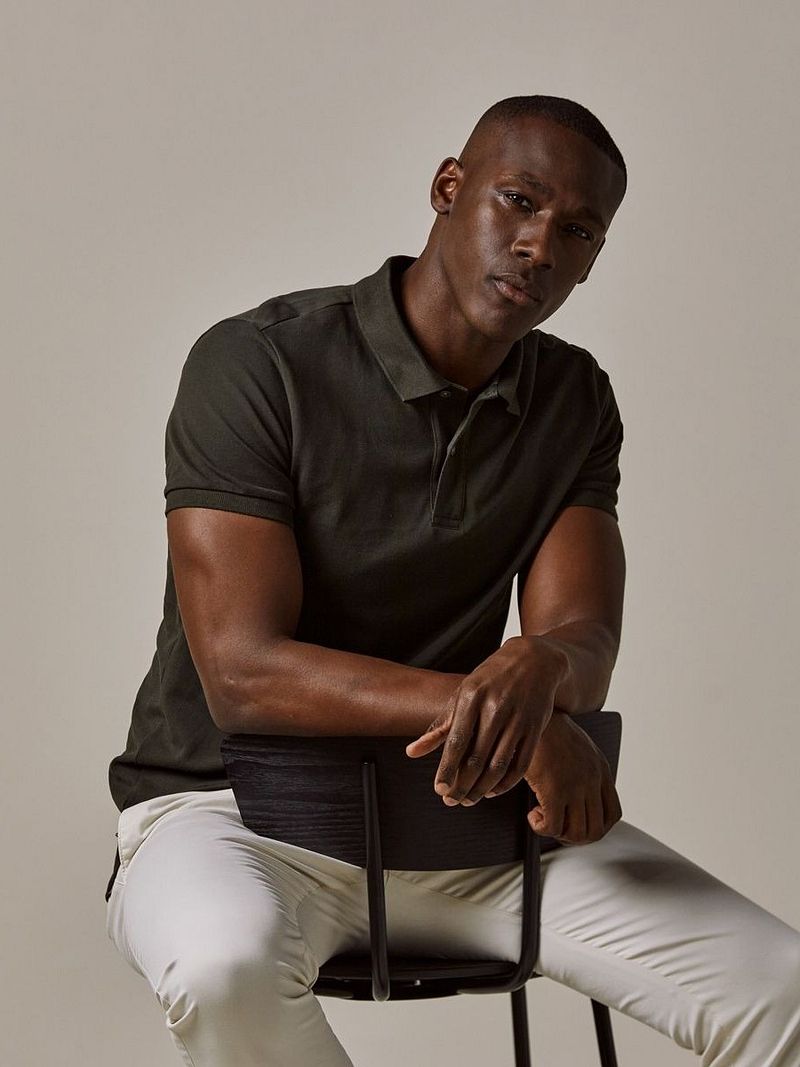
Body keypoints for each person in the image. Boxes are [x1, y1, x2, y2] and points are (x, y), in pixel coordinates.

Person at [104, 95, 800, 1066]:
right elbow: (242, 671)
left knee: (782, 987)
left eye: (577, 231)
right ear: (447, 188)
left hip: (469, 821)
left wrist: (540, 666)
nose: (538, 246)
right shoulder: (259, 361)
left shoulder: (573, 397)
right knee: (222, 968)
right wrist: (524, 719)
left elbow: (582, 642)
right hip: (231, 816)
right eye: (518, 200)